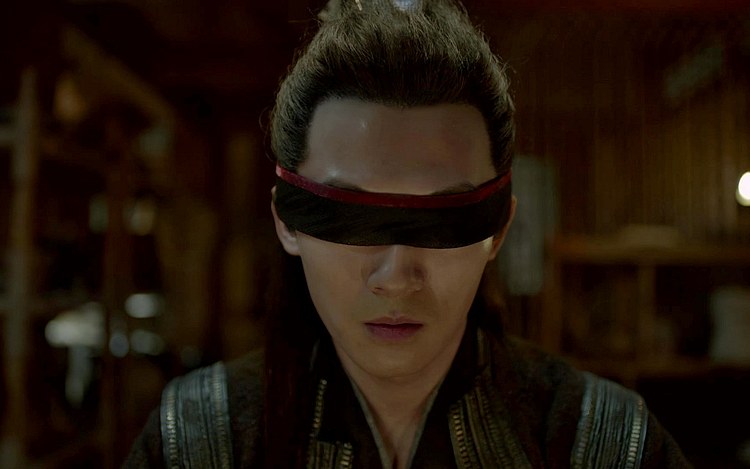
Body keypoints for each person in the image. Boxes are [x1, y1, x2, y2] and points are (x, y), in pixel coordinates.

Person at [125, 0, 690, 467]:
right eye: (348, 217)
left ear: (498, 229)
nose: (396, 276)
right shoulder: (197, 442)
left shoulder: (606, 444)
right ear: (287, 222)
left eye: (445, 219)